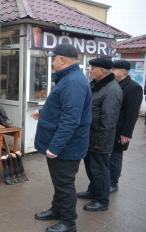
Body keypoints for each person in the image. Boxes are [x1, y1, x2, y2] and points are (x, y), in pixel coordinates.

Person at [31, 43, 92, 232]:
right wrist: (43, 112)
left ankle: (68, 222)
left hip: (66, 148)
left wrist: (55, 147)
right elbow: (62, 107)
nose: (52, 63)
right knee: (60, 182)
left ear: (62, 59)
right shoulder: (69, 79)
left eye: (54, 59)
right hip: (64, 146)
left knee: (65, 184)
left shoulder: (73, 82)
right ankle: (57, 210)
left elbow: (70, 119)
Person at [77, 57, 122, 212]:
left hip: (100, 139)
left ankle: (102, 201)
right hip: (90, 136)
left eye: (93, 68)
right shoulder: (97, 86)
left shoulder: (112, 89)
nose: (91, 71)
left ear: (102, 71)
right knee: (91, 167)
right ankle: (93, 190)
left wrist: (101, 142)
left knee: (100, 170)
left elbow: (109, 121)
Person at [109, 60, 143, 193]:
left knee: (116, 157)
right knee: (107, 158)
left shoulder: (133, 87)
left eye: (114, 69)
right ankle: (105, 181)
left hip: (120, 131)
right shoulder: (113, 84)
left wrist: (126, 133)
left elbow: (132, 113)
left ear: (123, 71)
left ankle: (113, 183)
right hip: (110, 129)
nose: (111, 72)